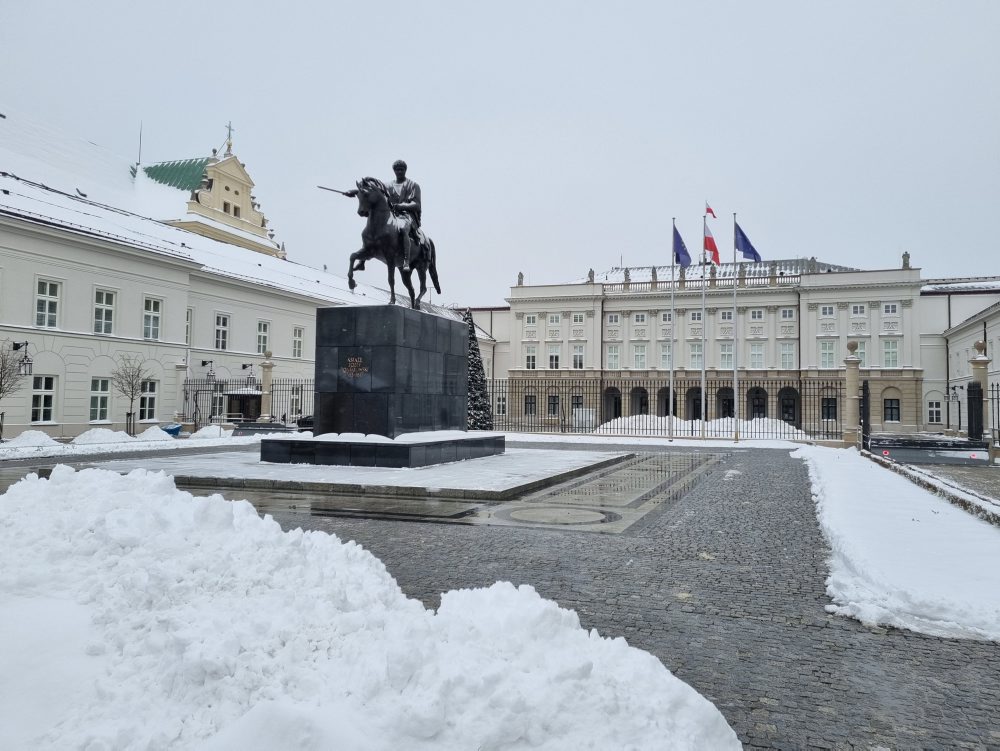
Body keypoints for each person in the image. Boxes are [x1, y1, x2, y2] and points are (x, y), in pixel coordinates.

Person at [386, 160, 421, 271]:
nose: (399, 171)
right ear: (394, 171)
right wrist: (355, 192)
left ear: (405, 170)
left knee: (402, 228)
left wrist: (401, 206)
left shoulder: (413, 185)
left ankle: (406, 261)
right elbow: (375, 193)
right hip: (392, 215)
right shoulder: (388, 185)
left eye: (402, 169)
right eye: (397, 169)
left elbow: (417, 205)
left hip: (407, 216)